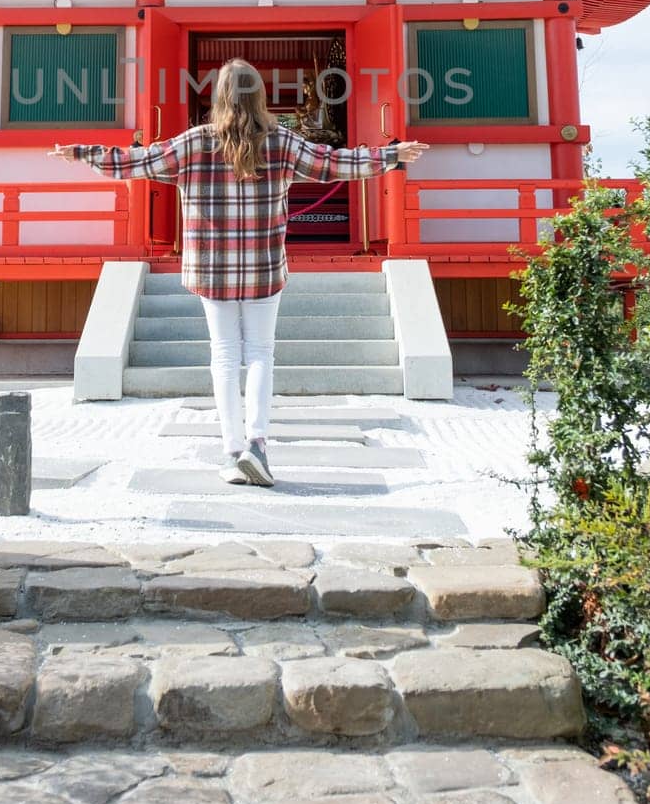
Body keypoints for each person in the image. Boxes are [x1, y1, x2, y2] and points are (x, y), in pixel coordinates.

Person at [52, 58, 427, 488]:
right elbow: (334, 163)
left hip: (212, 265)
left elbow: (139, 161)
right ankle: (259, 443)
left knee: (224, 354)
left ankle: (232, 449)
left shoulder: (195, 143)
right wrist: (391, 157)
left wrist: (83, 153)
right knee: (261, 353)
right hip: (264, 264)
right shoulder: (281, 141)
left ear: (220, 97)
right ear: (259, 96)